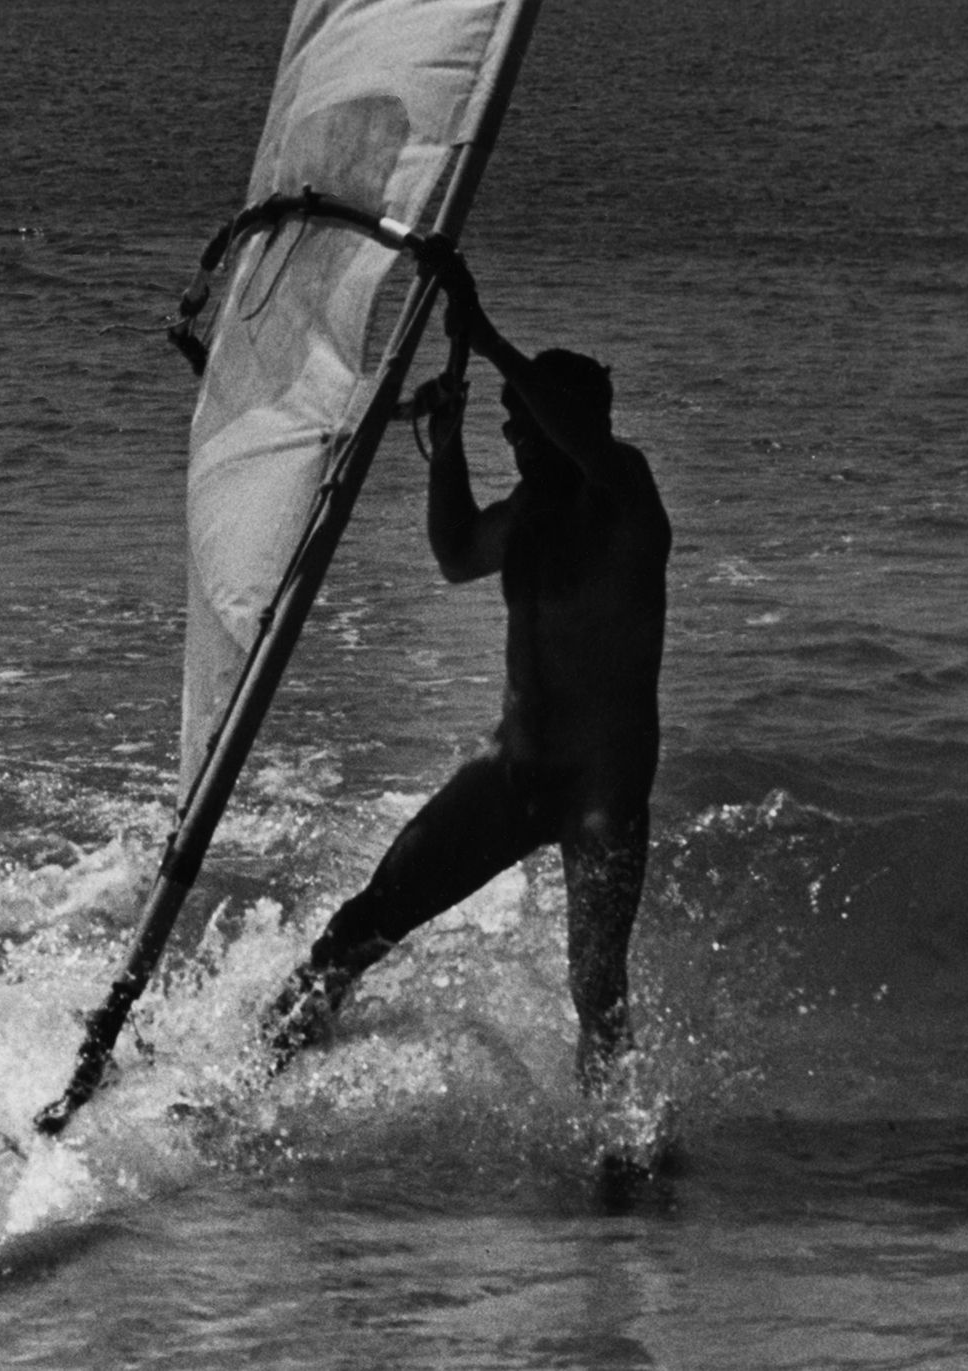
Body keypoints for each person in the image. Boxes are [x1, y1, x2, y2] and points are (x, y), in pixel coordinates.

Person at [264, 263, 671, 1096]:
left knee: (597, 992)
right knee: (366, 921)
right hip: (516, 772)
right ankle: (256, 1066)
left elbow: (573, 433)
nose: (517, 439)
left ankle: (624, 1154)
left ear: (582, 424)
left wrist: (483, 338)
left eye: (528, 423)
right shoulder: (525, 514)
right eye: (509, 426)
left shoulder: (626, 493)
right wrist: (444, 447)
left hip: (605, 792)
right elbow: (455, 555)